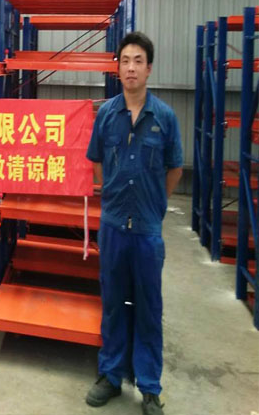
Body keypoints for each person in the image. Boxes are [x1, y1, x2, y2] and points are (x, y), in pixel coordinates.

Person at [85, 32, 183, 415]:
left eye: (138, 61)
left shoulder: (165, 117)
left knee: (148, 307)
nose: (131, 68)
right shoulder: (107, 114)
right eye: (125, 61)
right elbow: (97, 161)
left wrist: (155, 206)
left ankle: (150, 386)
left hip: (146, 230)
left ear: (149, 69)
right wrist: (111, 193)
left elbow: (174, 168)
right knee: (113, 303)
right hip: (113, 226)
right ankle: (111, 376)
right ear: (118, 69)